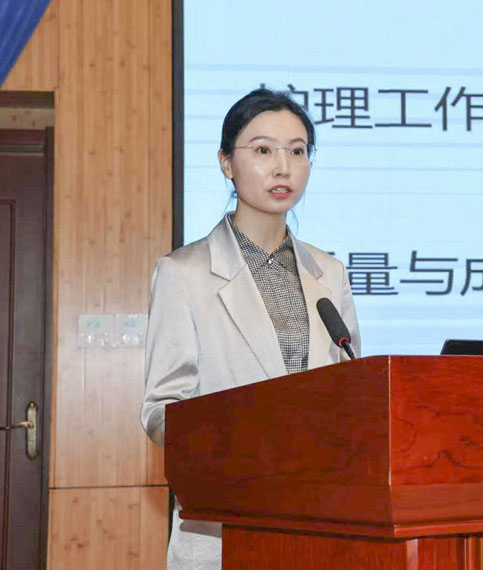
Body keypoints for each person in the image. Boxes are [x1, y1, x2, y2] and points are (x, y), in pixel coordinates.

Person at [140, 88, 360, 570]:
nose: (283, 167)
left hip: (322, 521)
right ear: (226, 163)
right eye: (263, 150)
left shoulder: (330, 272)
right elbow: (161, 409)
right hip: (227, 523)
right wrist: (233, 453)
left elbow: (351, 389)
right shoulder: (183, 273)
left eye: (297, 151)